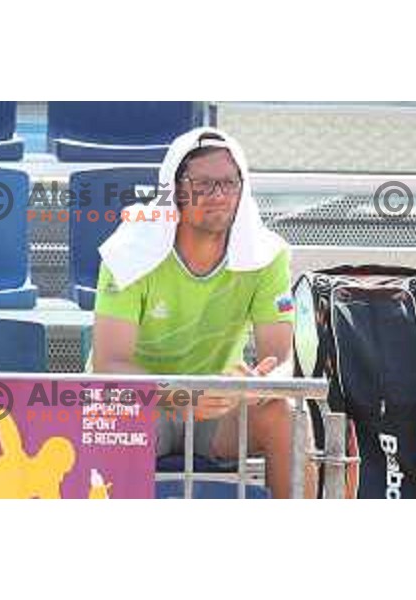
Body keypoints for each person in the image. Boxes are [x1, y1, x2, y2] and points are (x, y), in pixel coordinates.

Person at [90, 127, 307, 499]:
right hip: (142, 405)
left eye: (229, 183)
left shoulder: (267, 256)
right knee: (114, 412)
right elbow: (110, 365)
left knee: (283, 412)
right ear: (174, 190)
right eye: (203, 184)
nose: (219, 195)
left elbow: (283, 358)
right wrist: (183, 396)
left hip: (219, 408)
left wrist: (256, 385)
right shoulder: (129, 253)